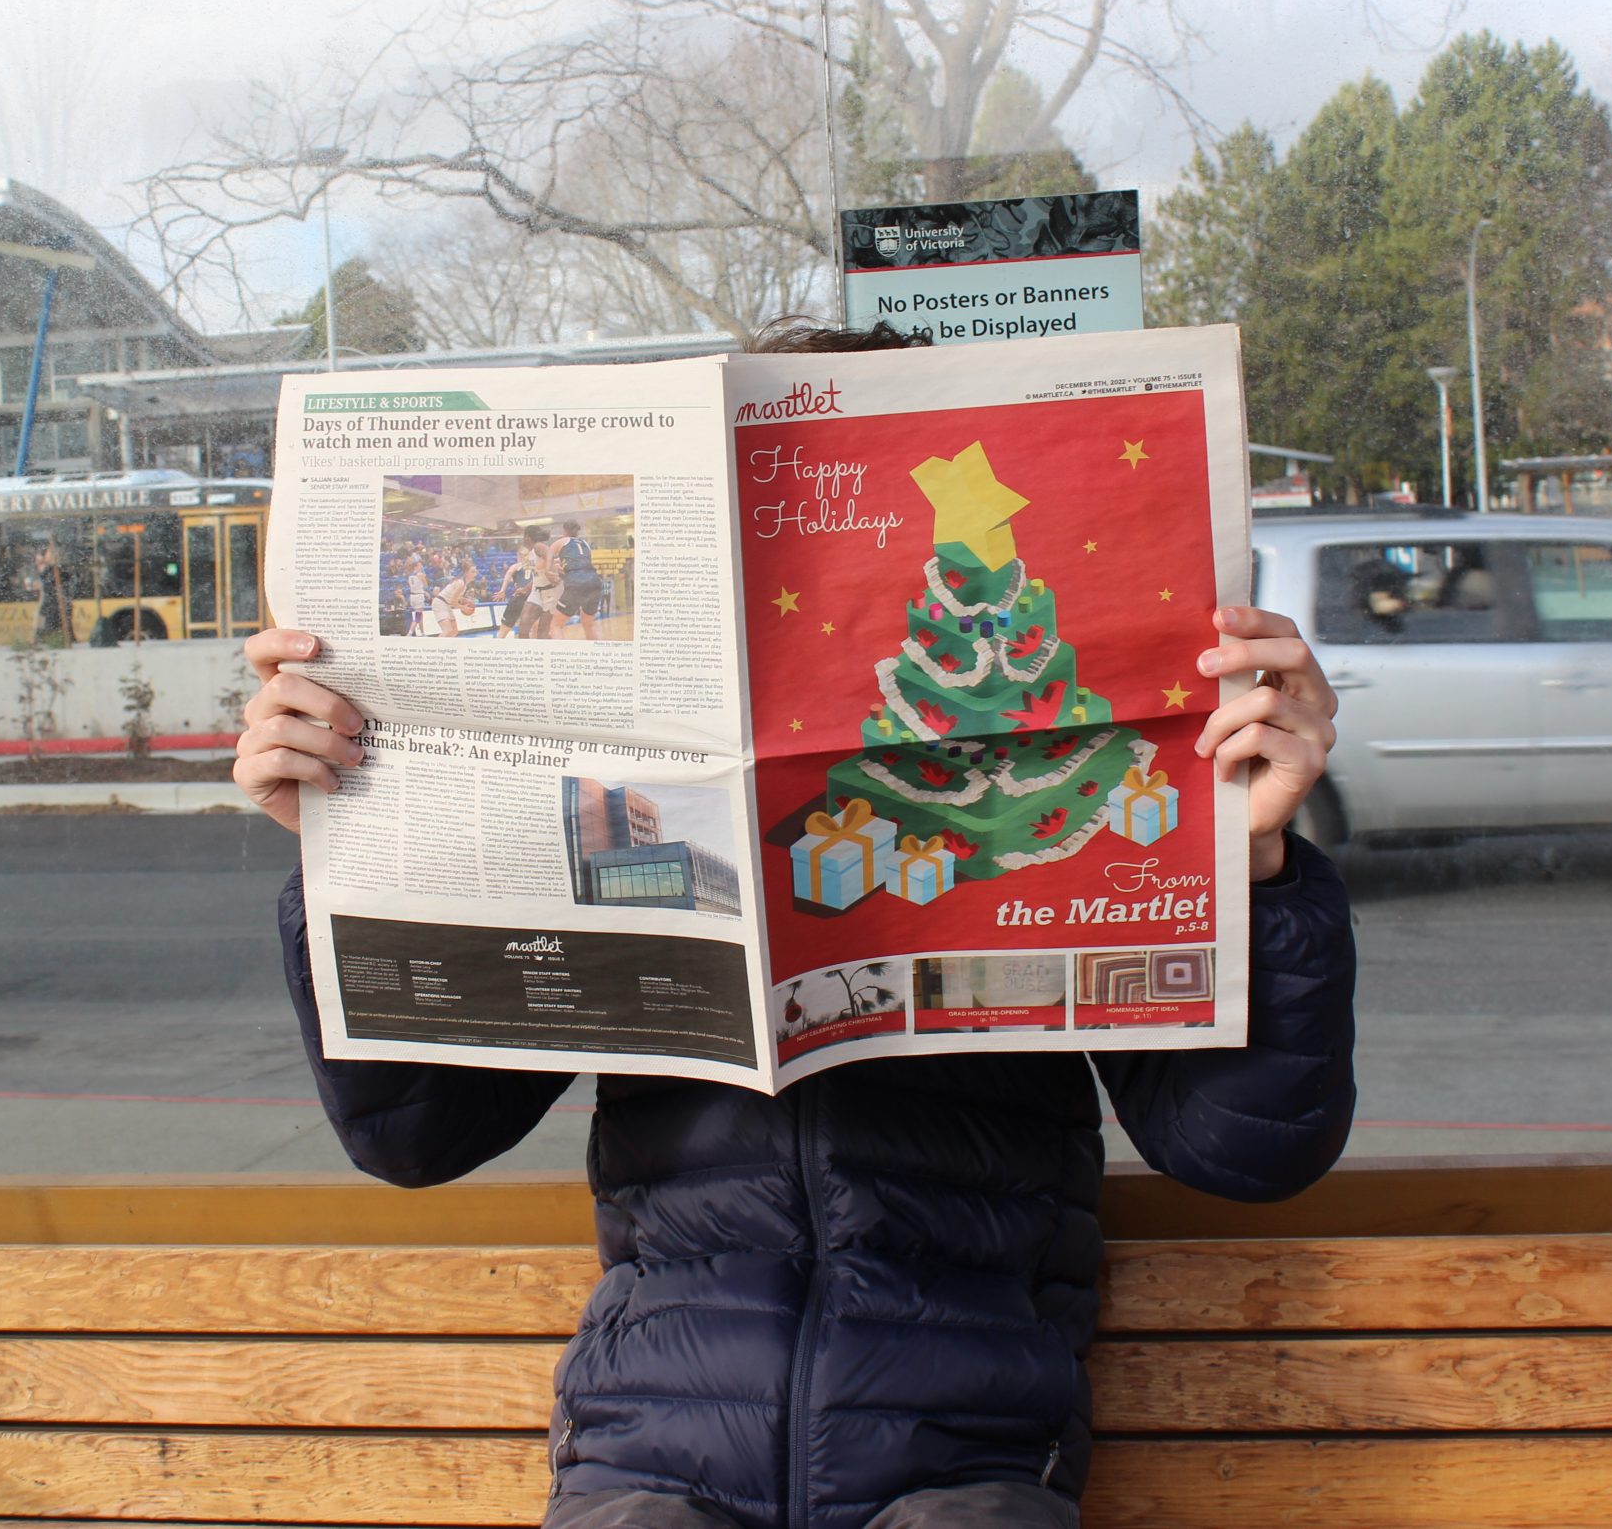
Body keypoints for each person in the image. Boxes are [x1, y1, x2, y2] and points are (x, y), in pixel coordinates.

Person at [233, 319, 1354, 1529]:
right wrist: (345, 847)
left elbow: (1247, 1152)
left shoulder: (1051, 821)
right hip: (649, 1451)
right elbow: (417, 1134)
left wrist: (1255, 865)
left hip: (964, 1453)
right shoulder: (624, 828)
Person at [554, 518, 606, 639]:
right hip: (594, 581)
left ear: (564, 531)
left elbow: (548, 558)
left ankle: (558, 656)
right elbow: (580, 562)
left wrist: (552, 567)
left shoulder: (562, 541)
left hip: (576, 582)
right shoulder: (585, 543)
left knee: (555, 626)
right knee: (589, 625)